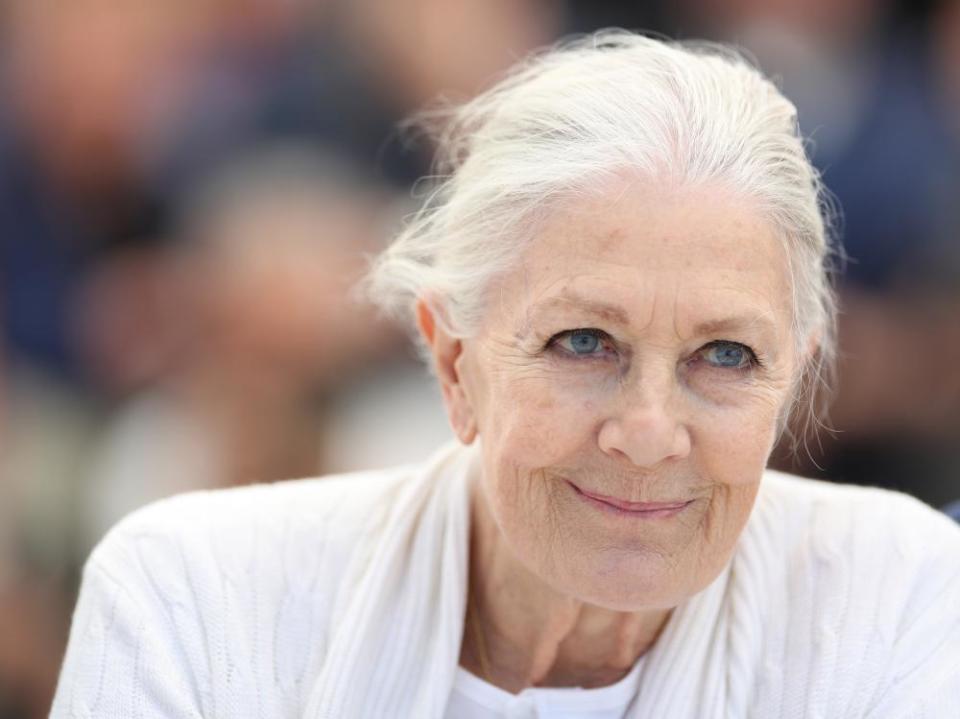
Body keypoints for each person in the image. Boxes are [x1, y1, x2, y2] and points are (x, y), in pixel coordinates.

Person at [50, 32, 960, 718]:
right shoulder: (195, 600)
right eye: (583, 342)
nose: (648, 430)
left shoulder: (897, 597)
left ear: (791, 383)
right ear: (454, 361)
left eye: (726, 356)